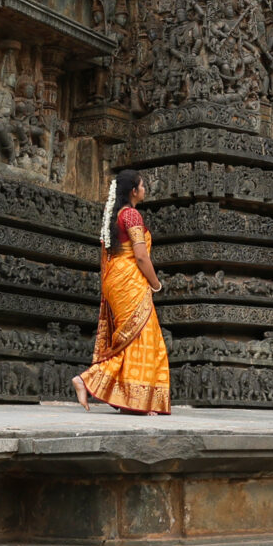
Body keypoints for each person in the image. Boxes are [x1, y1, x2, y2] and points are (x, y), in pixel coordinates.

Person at [71, 168, 171, 414]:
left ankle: (132, 401)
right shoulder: (132, 216)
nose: (145, 189)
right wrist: (156, 283)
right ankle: (86, 379)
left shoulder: (114, 217)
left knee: (129, 340)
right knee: (145, 339)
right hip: (131, 282)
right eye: (142, 185)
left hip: (115, 281)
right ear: (133, 191)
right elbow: (140, 256)